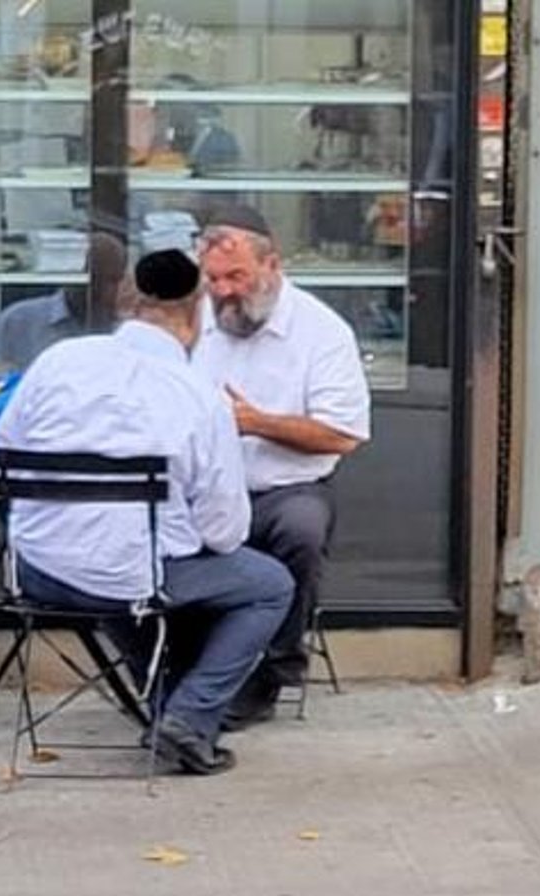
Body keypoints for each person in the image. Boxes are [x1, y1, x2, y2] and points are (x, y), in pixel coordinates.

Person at [0, 243, 294, 775]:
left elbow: (3, 449)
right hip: (133, 575)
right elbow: (224, 532)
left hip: (36, 570)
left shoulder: (58, 361)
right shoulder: (199, 395)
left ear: (129, 303)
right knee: (267, 584)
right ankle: (191, 716)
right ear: (196, 311)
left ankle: (164, 704)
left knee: (121, 560)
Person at [194, 204, 371, 729]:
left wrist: (255, 422)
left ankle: (272, 668)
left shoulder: (321, 331)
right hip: (202, 486)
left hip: (282, 488)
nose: (223, 291)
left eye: (236, 277)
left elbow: (343, 434)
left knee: (301, 528)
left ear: (272, 267)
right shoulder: (193, 319)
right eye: (213, 279)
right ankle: (177, 666)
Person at [0, 233, 127, 369]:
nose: (111, 290)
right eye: (99, 279)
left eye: (115, 280)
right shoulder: (18, 319)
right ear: (76, 277)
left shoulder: (127, 329)